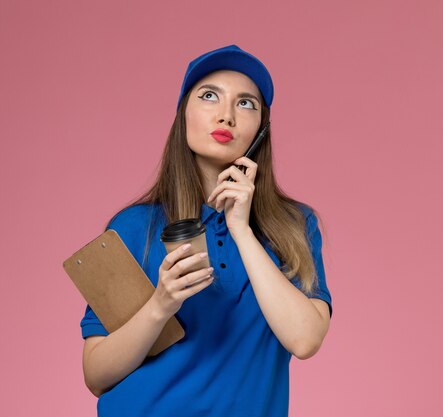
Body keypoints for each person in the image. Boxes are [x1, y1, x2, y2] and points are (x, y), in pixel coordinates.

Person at [79, 44, 333, 416]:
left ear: (261, 129)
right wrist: (160, 305)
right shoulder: (131, 227)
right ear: (183, 115)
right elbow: (96, 375)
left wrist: (241, 229)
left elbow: (305, 339)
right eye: (209, 96)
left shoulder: (295, 226)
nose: (226, 116)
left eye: (246, 104)